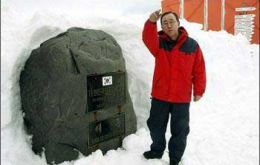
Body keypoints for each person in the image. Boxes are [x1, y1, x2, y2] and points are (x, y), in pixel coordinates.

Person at [142, 10, 206, 165]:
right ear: (162, 26)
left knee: (180, 131)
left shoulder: (192, 45)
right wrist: (151, 22)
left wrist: (199, 90)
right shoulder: (158, 43)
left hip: (181, 98)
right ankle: (157, 150)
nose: (168, 25)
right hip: (160, 96)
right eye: (164, 23)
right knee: (155, 126)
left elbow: (199, 69)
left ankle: (175, 158)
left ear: (178, 23)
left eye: (171, 21)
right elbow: (147, 38)